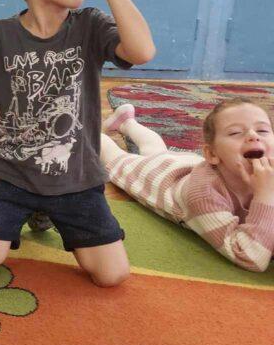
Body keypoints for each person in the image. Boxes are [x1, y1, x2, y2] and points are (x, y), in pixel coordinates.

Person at [0, 0, 156, 286]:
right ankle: (29, 210)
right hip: (8, 174)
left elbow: (142, 51)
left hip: (75, 178)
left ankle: (45, 212)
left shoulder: (90, 25)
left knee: (112, 275)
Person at [102, 99, 274, 271]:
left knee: (156, 150)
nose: (254, 135)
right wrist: (266, 194)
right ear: (212, 154)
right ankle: (87, 131)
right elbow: (250, 257)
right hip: (160, 179)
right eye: (235, 132)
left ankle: (127, 122)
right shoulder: (204, 194)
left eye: (263, 130)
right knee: (114, 158)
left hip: (188, 164)